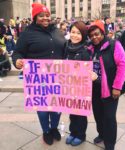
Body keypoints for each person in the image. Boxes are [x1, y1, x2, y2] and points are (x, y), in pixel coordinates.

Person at [12, 3, 66, 145]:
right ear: (35, 17)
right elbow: (18, 52)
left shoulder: (57, 31)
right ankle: (46, 131)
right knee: (43, 109)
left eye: (47, 15)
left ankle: (54, 128)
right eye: (41, 16)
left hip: (58, 77)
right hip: (38, 79)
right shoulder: (27, 33)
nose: (45, 18)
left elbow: (66, 49)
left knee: (57, 107)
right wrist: (17, 60)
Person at [88, 20, 125, 150]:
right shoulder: (90, 48)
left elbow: (123, 65)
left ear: (103, 32)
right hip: (95, 89)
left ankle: (110, 143)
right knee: (98, 115)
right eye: (91, 35)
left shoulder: (114, 45)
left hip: (110, 89)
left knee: (109, 118)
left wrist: (117, 87)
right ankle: (102, 134)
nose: (94, 37)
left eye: (97, 34)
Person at [64, 21, 90, 146]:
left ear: (83, 35)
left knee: (80, 114)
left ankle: (81, 135)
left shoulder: (85, 50)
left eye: (78, 33)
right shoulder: (66, 47)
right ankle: (73, 132)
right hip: (68, 87)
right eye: (73, 32)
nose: (74, 35)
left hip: (81, 88)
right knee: (72, 112)